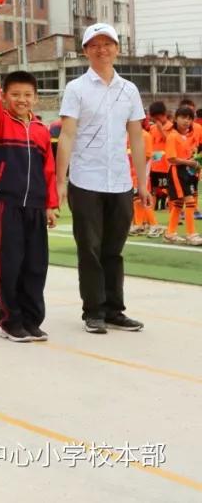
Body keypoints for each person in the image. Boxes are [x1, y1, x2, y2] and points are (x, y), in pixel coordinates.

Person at [56, 23, 148, 334]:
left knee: (113, 250)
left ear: (117, 48)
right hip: (86, 181)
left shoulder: (129, 90)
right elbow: (67, 136)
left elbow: (136, 138)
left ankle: (114, 310)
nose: (102, 49)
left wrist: (142, 183)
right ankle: (93, 311)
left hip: (120, 182)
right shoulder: (76, 89)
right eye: (94, 44)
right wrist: (60, 182)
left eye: (107, 43)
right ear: (85, 51)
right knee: (90, 249)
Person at [0, 34, 59, 341]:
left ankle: (32, 319)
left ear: (35, 98)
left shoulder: (41, 131)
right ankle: (10, 321)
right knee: (9, 264)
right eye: (15, 94)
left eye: (27, 95)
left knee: (36, 266)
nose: (21, 99)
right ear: (5, 97)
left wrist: (51, 205)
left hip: (36, 207)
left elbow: (49, 170)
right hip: (9, 206)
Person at [163, 106, 200, 244]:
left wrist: (195, 161)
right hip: (177, 172)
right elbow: (171, 158)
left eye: (190, 118)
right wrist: (190, 162)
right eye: (183, 117)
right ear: (175, 118)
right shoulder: (173, 136)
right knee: (190, 202)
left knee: (178, 204)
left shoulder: (189, 136)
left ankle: (170, 233)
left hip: (188, 172)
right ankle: (191, 234)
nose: (187, 121)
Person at [148, 102, 172, 212]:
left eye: (159, 118)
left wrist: (161, 129)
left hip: (167, 166)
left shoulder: (171, 127)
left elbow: (170, 141)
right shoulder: (152, 128)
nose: (157, 120)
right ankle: (151, 213)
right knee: (153, 190)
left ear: (164, 114)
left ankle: (173, 212)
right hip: (155, 165)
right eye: (154, 118)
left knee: (169, 190)